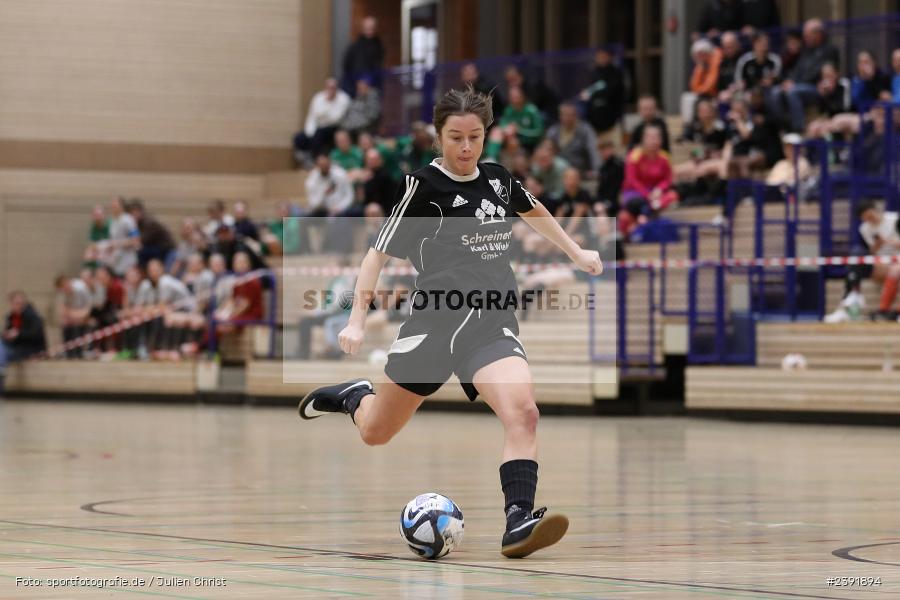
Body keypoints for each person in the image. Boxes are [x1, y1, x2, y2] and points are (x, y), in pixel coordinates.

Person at [297, 85, 602, 559]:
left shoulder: (498, 180)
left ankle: (518, 519)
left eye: (475, 137)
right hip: (433, 328)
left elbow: (535, 211)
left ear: (487, 135)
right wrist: (356, 319)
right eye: (455, 137)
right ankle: (356, 397)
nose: (466, 148)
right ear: (438, 137)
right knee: (377, 432)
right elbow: (375, 256)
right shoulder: (423, 188)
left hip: (490, 325)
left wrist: (576, 251)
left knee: (523, 412)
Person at [769, 18, 840, 132]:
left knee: (793, 92)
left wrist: (795, 83)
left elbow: (820, 73)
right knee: (775, 92)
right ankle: (785, 125)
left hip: (815, 88)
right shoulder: (806, 51)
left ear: (818, 34)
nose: (804, 38)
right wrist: (789, 80)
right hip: (799, 85)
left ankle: (799, 129)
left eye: (807, 35)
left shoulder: (829, 50)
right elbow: (797, 69)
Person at [620, 125, 677, 238]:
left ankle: (646, 214)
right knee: (633, 207)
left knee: (673, 195)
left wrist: (659, 189)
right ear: (643, 139)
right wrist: (648, 195)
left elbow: (668, 179)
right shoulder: (634, 156)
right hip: (635, 193)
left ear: (661, 140)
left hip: (656, 193)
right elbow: (632, 180)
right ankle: (647, 213)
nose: (653, 141)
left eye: (656, 137)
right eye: (650, 137)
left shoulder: (664, 157)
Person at [857, 201, 900, 320]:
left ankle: (884, 308)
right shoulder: (864, 228)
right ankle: (852, 295)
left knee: (895, 270)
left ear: (875, 210)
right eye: (866, 218)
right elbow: (872, 252)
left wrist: (895, 243)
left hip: (898, 257)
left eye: (870, 216)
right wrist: (877, 245)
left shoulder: (895, 219)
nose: (870, 220)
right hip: (883, 260)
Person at [293, 78, 351, 164]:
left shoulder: (344, 98)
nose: (331, 90)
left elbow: (336, 118)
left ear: (337, 88)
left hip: (334, 128)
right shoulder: (318, 97)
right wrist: (309, 131)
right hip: (317, 127)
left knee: (318, 136)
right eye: (329, 87)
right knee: (299, 138)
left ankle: (318, 161)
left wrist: (325, 110)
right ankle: (307, 160)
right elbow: (312, 116)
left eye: (333, 88)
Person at [0, 291, 47, 394]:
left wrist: (18, 334)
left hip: (31, 349)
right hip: (16, 347)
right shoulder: (11, 317)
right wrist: (7, 335)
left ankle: (2, 369)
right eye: (15, 303)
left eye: (20, 303)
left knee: (3, 351)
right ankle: (2, 368)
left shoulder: (32, 315)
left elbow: (36, 335)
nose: (18, 306)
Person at [544, 102, 601, 177]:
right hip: (558, 171)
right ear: (560, 116)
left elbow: (594, 150)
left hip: (579, 172)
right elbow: (545, 149)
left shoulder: (585, 130)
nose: (567, 118)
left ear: (576, 115)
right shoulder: (554, 131)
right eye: (565, 115)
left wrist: (597, 170)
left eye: (571, 115)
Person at [581, 47, 625, 140]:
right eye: (599, 57)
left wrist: (597, 93)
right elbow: (586, 94)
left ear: (610, 58)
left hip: (612, 120)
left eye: (604, 57)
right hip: (593, 122)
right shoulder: (593, 73)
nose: (601, 59)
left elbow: (614, 92)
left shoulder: (616, 73)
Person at [682, 38, 722, 123]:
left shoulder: (717, 62)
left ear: (708, 53)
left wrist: (700, 90)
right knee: (687, 98)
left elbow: (710, 84)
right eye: (698, 55)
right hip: (703, 95)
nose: (700, 57)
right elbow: (693, 86)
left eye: (702, 54)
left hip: (716, 94)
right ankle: (689, 125)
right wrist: (700, 69)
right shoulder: (699, 66)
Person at [341, 16, 385, 94]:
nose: (370, 31)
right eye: (367, 28)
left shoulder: (379, 46)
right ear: (363, 29)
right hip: (355, 86)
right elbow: (347, 65)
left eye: (372, 28)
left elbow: (378, 66)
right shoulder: (356, 46)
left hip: (374, 85)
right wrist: (359, 81)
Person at [498, 86, 544, 151]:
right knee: (497, 132)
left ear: (523, 96)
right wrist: (507, 128)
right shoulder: (509, 110)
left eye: (516, 97)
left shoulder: (531, 111)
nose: (514, 100)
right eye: (511, 97)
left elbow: (539, 132)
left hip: (530, 143)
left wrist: (519, 130)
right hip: (512, 139)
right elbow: (502, 124)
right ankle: (491, 156)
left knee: (512, 141)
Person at [716, 32, 743, 102]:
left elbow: (746, 81)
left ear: (737, 45)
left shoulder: (744, 59)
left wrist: (735, 89)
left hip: (741, 91)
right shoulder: (722, 62)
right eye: (726, 47)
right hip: (725, 93)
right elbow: (719, 84)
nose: (729, 50)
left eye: (731, 47)